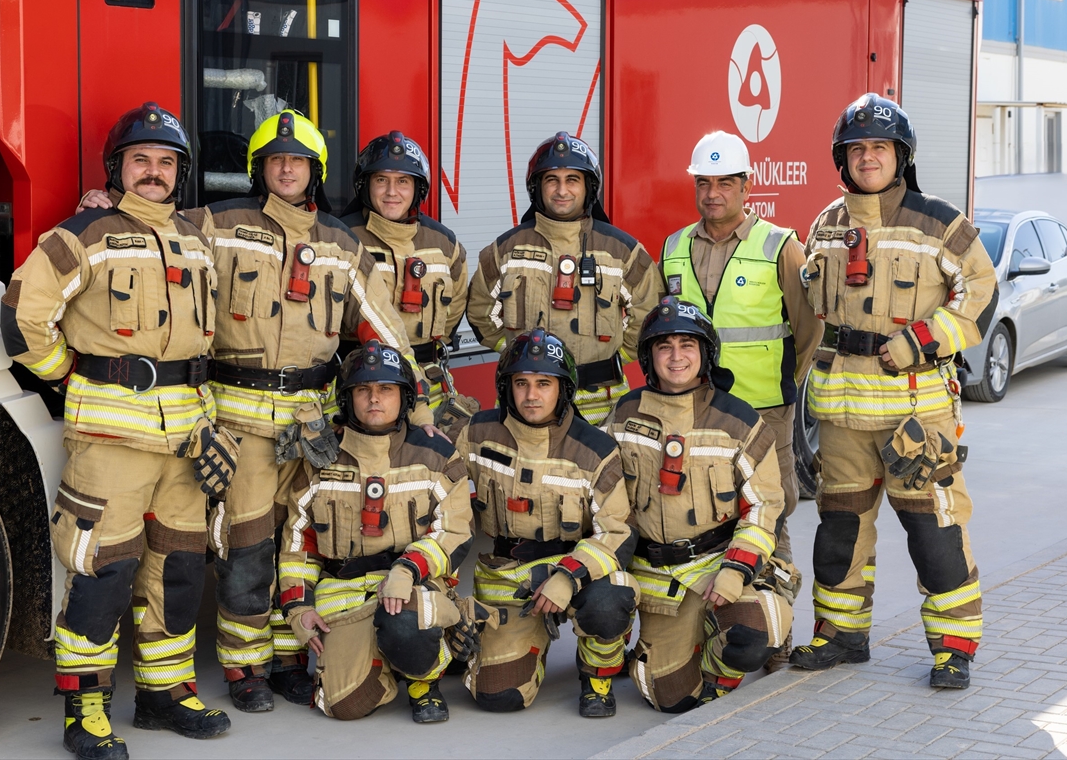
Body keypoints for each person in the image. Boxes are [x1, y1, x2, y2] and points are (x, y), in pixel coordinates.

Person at [76, 109, 445, 714]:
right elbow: (152, 230)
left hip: (314, 426)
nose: (287, 170)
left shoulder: (341, 243)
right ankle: (244, 667)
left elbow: (384, 327)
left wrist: (420, 404)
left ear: (314, 171)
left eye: (298, 162)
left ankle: (288, 659)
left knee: (303, 545)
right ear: (259, 169)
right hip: (239, 424)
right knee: (245, 551)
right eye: (276, 161)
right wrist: (105, 202)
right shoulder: (216, 223)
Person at [3, 102, 232, 759]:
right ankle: (86, 708)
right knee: (102, 573)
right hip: (110, 443)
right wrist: (72, 373)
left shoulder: (196, 240)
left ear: (180, 173)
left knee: (178, 573)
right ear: (118, 168)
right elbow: (23, 315)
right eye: (141, 160)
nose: (153, 172)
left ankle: (164, 694)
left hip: (187, 439)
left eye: (166, 162)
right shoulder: (85, 232)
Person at [791, 93, 997, 689]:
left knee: (935, 533)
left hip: (916, 416)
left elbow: (981, 295)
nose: (868, 158)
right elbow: (815, 311)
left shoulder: (941, 223)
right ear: (842, 159)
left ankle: (954, 647)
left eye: (880, 147)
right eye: (856, 149)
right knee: (839, 533)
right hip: (841, 417)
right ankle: (841, 634)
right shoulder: (827, 225)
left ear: (901, 155)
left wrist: (924, 339)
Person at [659, 130, 823, 667]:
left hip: (762, 411)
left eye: (725, 183)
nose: (713, 194)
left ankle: (776, 632)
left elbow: (807, 330)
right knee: (702, 511)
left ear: (746, 186)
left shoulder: (779, 246)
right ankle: (714, 623)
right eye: (703, 183)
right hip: (695, 411)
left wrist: (780, 386)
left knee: (769, 517)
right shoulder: (673, 247)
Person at [608, 297, 791, 711]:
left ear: (705, 353)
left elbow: (765, 505)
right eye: (664, 346)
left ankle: (721, 673)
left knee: (756, 631)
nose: (676, 357)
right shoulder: (624, 414)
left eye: (687, 345)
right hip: (657, 576)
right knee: (671, 698)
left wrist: (735, 570)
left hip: (717, 565)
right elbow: (603, 499)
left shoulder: (740, 419)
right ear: (648, 356)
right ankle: (685, 645)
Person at [278, 341, 473, 722]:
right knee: (343, 706)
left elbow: (454, 531)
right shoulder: (321, 458)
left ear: (405, 397)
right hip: (346, 597)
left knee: (406, 624)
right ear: (347, 399)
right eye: (363, 390)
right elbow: (299, 541)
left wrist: (408, 569)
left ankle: (424, 681)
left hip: (411, 587)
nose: (374, 399)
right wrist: (298, 607)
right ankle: (391, 658)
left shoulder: (435, 454)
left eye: (386, 389)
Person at [456, 329, 638, 717]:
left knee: (610, 599)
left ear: (563, 389)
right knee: (498, 697)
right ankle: (528, 644)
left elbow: (616, 531)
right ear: (507, 387)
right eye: (521, 383)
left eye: (544, 384)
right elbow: (436, 492)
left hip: (575, 573)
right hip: (508, 577)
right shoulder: (476, 433)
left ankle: (597, 676)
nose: (531, 395)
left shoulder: (595, 449)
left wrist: (569, 576)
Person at [466, 132, 663, 427]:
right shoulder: (505, 249)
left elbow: (649, 314)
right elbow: (480, 311)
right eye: (552, 180)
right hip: (527, 401)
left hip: (602, 404)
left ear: (588, 187)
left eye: (572, 180)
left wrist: (613, 356)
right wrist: (517, 354)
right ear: (537, 187)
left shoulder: (623, 251)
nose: (562, 190)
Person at [339, 131, 477, 438]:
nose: (392, 192)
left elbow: (454, 312)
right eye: (381, 180)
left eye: (403, 181)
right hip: (362, 389)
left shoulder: (445, 244)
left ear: (418, 188)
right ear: (365, 185)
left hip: (432, 390)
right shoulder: (343, 239)